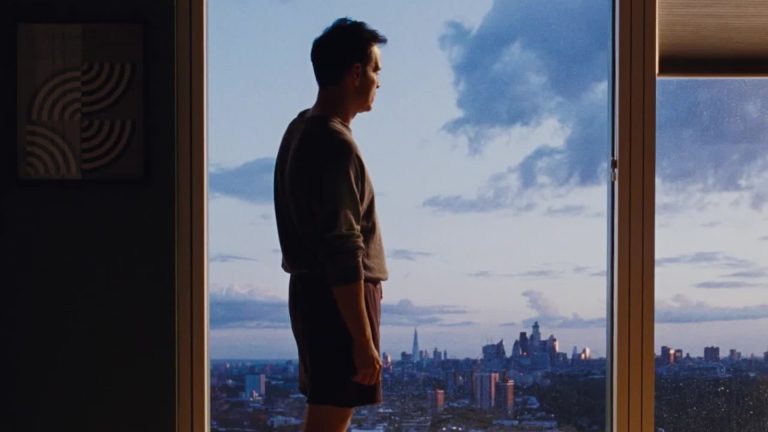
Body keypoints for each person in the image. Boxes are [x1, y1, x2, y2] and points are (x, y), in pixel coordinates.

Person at [273, 18, 389, 432]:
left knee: (327, 413)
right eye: (375, 70)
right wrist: (362, 340)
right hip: (336, 300)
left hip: (316, 297)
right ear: (355, 73)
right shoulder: (333, 144)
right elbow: (343, 247)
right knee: (331, 417)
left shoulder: (300, 128)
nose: (378, 82)